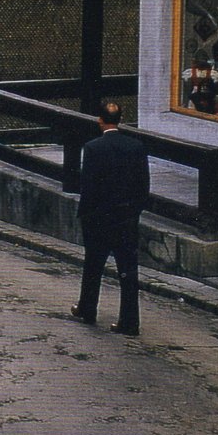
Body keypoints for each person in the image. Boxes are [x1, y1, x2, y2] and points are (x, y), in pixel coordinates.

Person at [71, 102, 150, 336]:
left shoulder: (93, 148)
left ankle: (87, 308)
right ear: (120, 119)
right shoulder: (136, 147)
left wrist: (85, 215)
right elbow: (143, 186)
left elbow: (89, 187)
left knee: (93, 265)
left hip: (99, 218)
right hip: (125, 218)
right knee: (128, 271)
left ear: (100, 120)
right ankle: (129, 321)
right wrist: (133, 212)